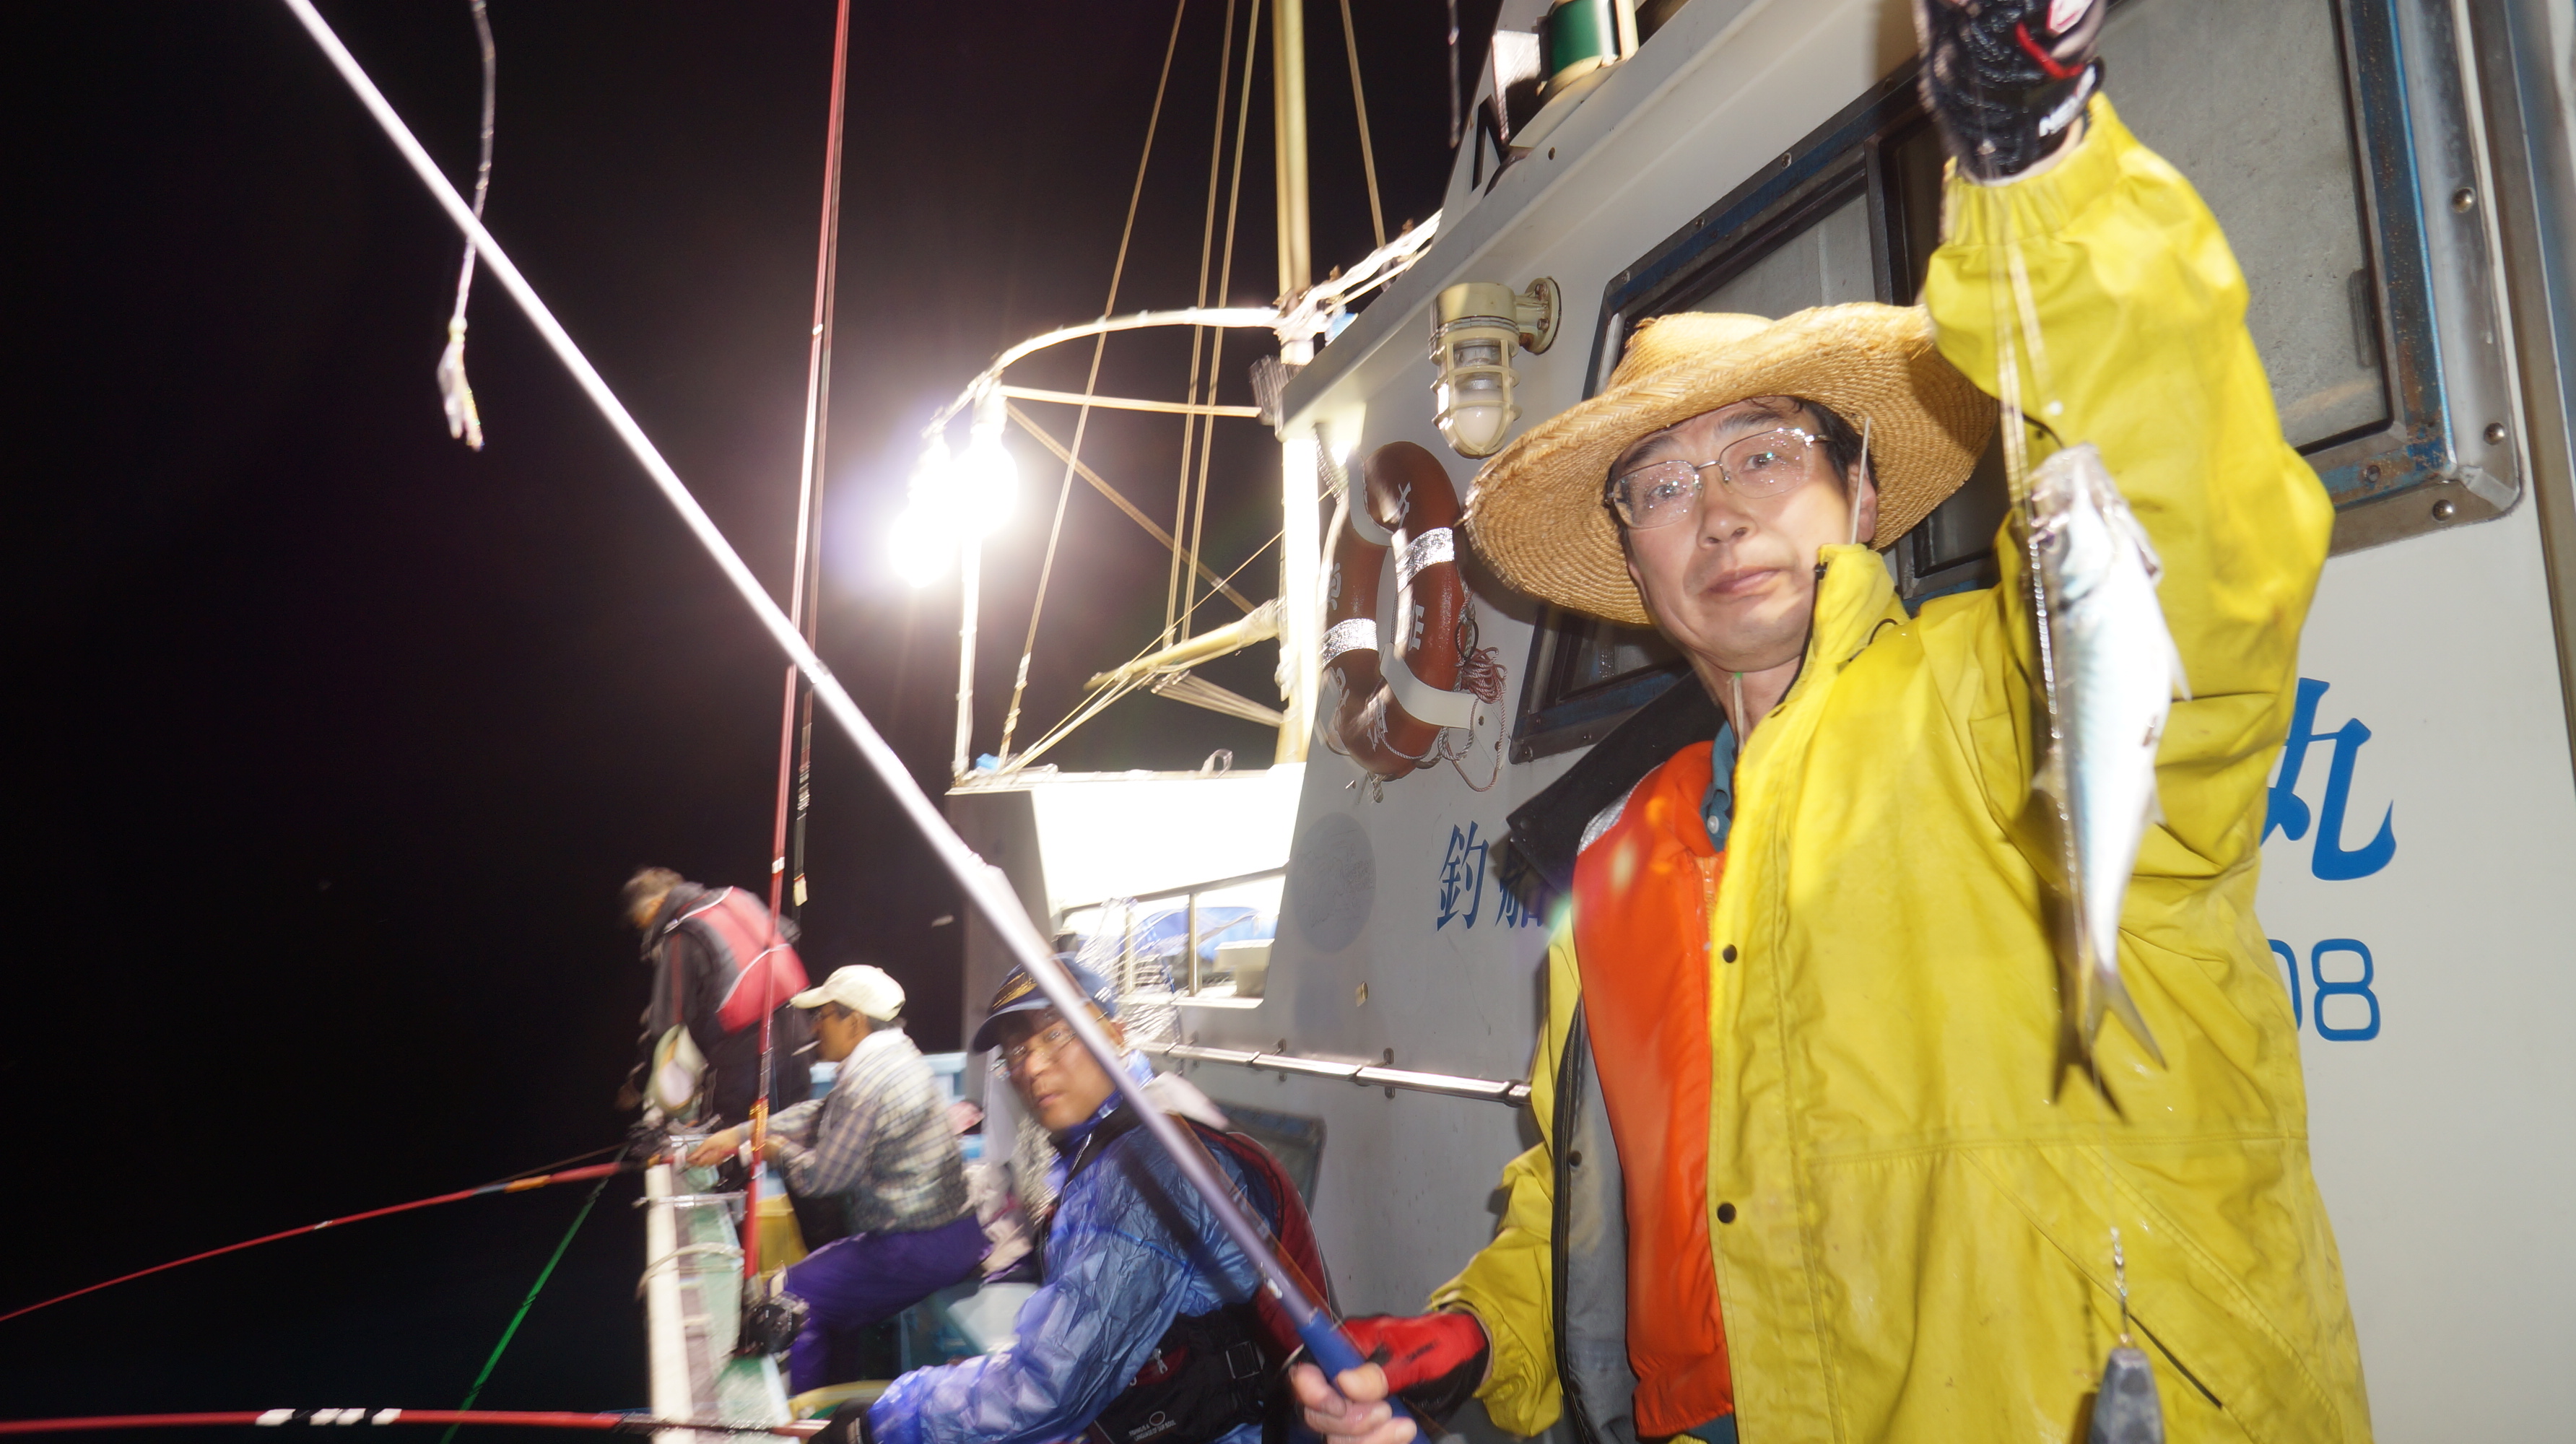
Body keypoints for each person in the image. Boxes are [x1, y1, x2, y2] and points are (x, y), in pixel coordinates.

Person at [1292, 3, 2372, 1442]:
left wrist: (2038, 167)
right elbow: (1592, 1192)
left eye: (1764, 452)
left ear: (1860, 499)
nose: (1717, 512)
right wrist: (1482, 1332)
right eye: (1659, 487)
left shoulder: (2003, 701)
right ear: (1632, 568)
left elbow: (2196, 529)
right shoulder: (1613, 860)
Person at [818, 960, 1329, 1444]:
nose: (1032, 1066)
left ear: (1115, 1035)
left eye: (1056, 1035)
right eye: (1016, 1052)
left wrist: (888, 1419)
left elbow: (1051, 1386)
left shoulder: (1149, 1170)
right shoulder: (1121, 1136)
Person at [687, 965, 984, 1395]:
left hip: (918, 1246)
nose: (814, 1027)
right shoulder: (897, 1057)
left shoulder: (867, 1081)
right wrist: (738, 1135)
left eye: (822, 1016)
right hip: (956, 1234)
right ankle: (840, 1395)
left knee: (789, 1296)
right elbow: (821, 1114)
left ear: (854, 1021)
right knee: (833, 1292)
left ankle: (806, 1417)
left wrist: (773, 1152)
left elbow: (821, 1178)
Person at [623, 866, 812, 1128]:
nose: (644, 930)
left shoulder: (682, 934)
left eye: (641, 922)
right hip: (798, 1039)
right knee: (794, 1133)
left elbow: (663, 1029)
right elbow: (789, 933)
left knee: (729, 1144)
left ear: (655, 905)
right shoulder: (738, 898)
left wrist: (638, 1085)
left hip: (744, 1064)